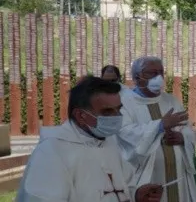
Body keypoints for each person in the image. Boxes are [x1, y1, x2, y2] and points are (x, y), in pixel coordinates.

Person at [17, 76, 163, 202]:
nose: (117, 117)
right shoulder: (52, 152)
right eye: (107, 111)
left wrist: (136, 195)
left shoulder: (109, 141)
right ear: (81, 115)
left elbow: (121, 188)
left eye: (118, 109)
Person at [117, 56, 196, 202]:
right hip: (147, 177)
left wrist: (183, 138)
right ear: (137, 77)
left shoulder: (171, 100)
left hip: (178, 176)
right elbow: (124, 133)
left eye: (161, 72)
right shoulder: (124, 102)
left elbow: (188, 128)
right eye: (152, 73)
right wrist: (159, 126)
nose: (159, 78)